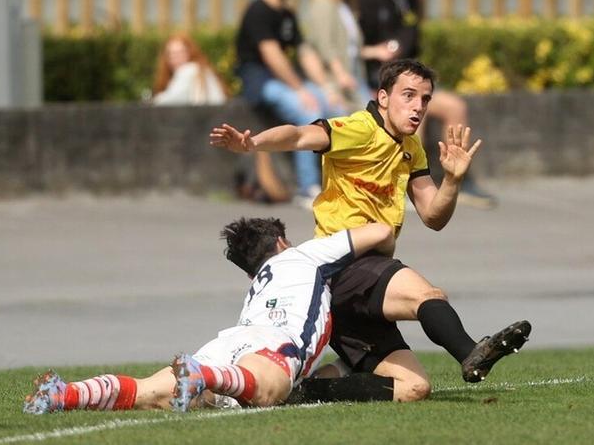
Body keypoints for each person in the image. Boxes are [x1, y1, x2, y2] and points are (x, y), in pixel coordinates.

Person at [210, 59, 531, 403]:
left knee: (413, 388)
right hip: (345, 265)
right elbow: (300, 134)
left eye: (425, 99)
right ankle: (471, 352)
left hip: (358, 285)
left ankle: (305, 391)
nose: (418, 106)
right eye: (408, 95)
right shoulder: (360, 129)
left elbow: (433, 216)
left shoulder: (412, 149)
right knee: (426, 296)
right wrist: (253, 143)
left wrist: (452, 180)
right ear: (382, 97)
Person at [22, 218, 395, 414]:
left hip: (230, 340)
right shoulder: (305, 254)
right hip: (272, 341)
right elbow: (381, 231)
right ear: (281, 242)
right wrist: (386, 250)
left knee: (150, 393)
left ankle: (65, 394)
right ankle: (205, 377)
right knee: (272, 390)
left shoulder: (257, 284)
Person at [356, 0, 496, 209]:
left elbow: (413, 41)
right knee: (415, 111)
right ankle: (408, 185)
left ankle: (458, 179)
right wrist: (376, 56)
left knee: (455, 107)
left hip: (411, 78)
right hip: (378, 81)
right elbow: (353, 48)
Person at [234, 0, 341, 207]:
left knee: (336, 109)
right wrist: (301, 89)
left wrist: (326, 87)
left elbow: (304, 53)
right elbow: (272, 57)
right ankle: (308, 187)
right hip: (260, 82)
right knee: (309, 110)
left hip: (284, 81)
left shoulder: (288, 15)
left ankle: (341, 182)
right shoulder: (258, 10)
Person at [305, 0, 398, 111]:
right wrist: (340, 74)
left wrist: (375, 51)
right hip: (336, 83)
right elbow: (326, 46)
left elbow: (350, 48)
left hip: (354, 78)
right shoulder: (323, 6)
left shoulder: (345, 7)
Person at [152, 33, 227, 105]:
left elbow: (171, 99)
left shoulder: (189, 69)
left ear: (190, 53)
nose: (176, 58)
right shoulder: (200, 69)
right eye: (172, 54)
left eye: (180, 52)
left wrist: (153, 101)